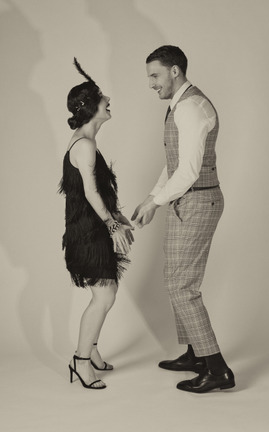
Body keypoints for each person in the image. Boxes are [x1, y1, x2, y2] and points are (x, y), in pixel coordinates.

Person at [132, 45, 235, 393]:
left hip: (197, 201)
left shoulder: (190, 108)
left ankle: (217, 368)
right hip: (186, 200)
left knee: (181, 285)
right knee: (175, 275)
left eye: (155, 75)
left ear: (175, 71)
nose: (151, 83)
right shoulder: (181, 105)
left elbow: (189, 171)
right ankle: (195, 354)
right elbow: (175, 162)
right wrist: (152, 197)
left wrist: (156, 202)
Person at [59, 58, 134, 390]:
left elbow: (97, 190)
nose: (108, 102)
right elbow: (90, 191)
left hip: (92, 227)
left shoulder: (85, 141)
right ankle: (81, 361)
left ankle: (91, 349)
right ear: (92, 107)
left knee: (107, 293)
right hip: (87, 231)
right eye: (104, 99)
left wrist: (116, 216)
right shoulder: (85, 146)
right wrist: (112, 224)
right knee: (104, 296)